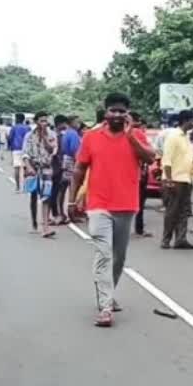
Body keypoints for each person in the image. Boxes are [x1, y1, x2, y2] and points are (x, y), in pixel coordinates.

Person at [68, 93, 155, 327]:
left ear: (127, 113)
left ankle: (109, 293)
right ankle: (105, 307)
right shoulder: (91, 137)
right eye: (112, 110)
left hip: (126, 205)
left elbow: (150, 157)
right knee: (103, 255)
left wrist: (131, 138)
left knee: (118, 258)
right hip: (99, 205)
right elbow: (79, 169)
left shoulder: (136, 135)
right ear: (105, 112)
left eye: (121, 111)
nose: (117, 115)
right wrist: (71, 200)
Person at [160, 109, 193, 250]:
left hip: (185, 179)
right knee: (172, 211)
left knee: (183, 211)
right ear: (186, 120)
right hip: (174, 179)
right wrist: (169, 180)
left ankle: (181, 239)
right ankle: (166, 240)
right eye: (192, 120)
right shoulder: (173, 136)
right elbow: (167, 160)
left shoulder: (185, 137)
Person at [22, 111, 58, 238]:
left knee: (46, 197)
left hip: (46, 168)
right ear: (36, 121)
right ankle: (34, 222)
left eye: (45, 120)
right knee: (33, 195)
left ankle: (46, 228)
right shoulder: (29, 135)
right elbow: (25, 152)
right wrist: (28, 166)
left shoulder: (52, 134)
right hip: (33, 167)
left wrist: (45, 138)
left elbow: (53, 150)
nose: (44, 123)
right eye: (41, 120)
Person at [50, 114, 81, 226]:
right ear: (71, 122)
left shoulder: (66, 133)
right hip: (71, 161)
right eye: (77, 122)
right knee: (67, 188)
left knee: (62, 189)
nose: (79, 124)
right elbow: (74, 149)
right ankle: (64, 213)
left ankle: (61, 213)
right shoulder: (72, 133)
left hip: (66, 160)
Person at [128, 111, 154, 239]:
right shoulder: (138, 133)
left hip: (126, 173)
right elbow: (148, 154)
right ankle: (139, 229)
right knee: (139, 201)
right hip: (138, 173)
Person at [8, 113, 31, 191]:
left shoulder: (14, 128)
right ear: (23, 119)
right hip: (26, 149)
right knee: (26, 167)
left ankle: (17, 187)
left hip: (16, 148)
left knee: (16, 167)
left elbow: (10, 137)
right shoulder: (28, 128)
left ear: (16, 119)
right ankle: (25, 186)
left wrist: (10, 147)